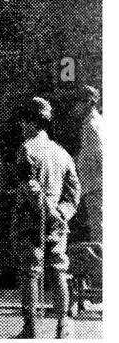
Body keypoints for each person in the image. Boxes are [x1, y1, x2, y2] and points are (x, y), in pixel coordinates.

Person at [11, 97, 80, 339]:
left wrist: (47, 211)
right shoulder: (63, 154)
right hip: (58, 224)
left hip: (31, 218)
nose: (21, 126)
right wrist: (62, 213)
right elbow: (74, 192)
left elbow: (30, 186)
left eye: (24, 121)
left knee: (30, 271)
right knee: (58, 269)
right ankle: (64, 324)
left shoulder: (26, 149)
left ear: (30, 122)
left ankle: (30, 329)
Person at [74, 86, 102, 242]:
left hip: (95, 184)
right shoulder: (92, 123)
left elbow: (97, 154)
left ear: (89, 103)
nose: (76, 106)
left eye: (79, 102)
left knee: (99, 228)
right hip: (94, 184)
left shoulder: (91, 125)